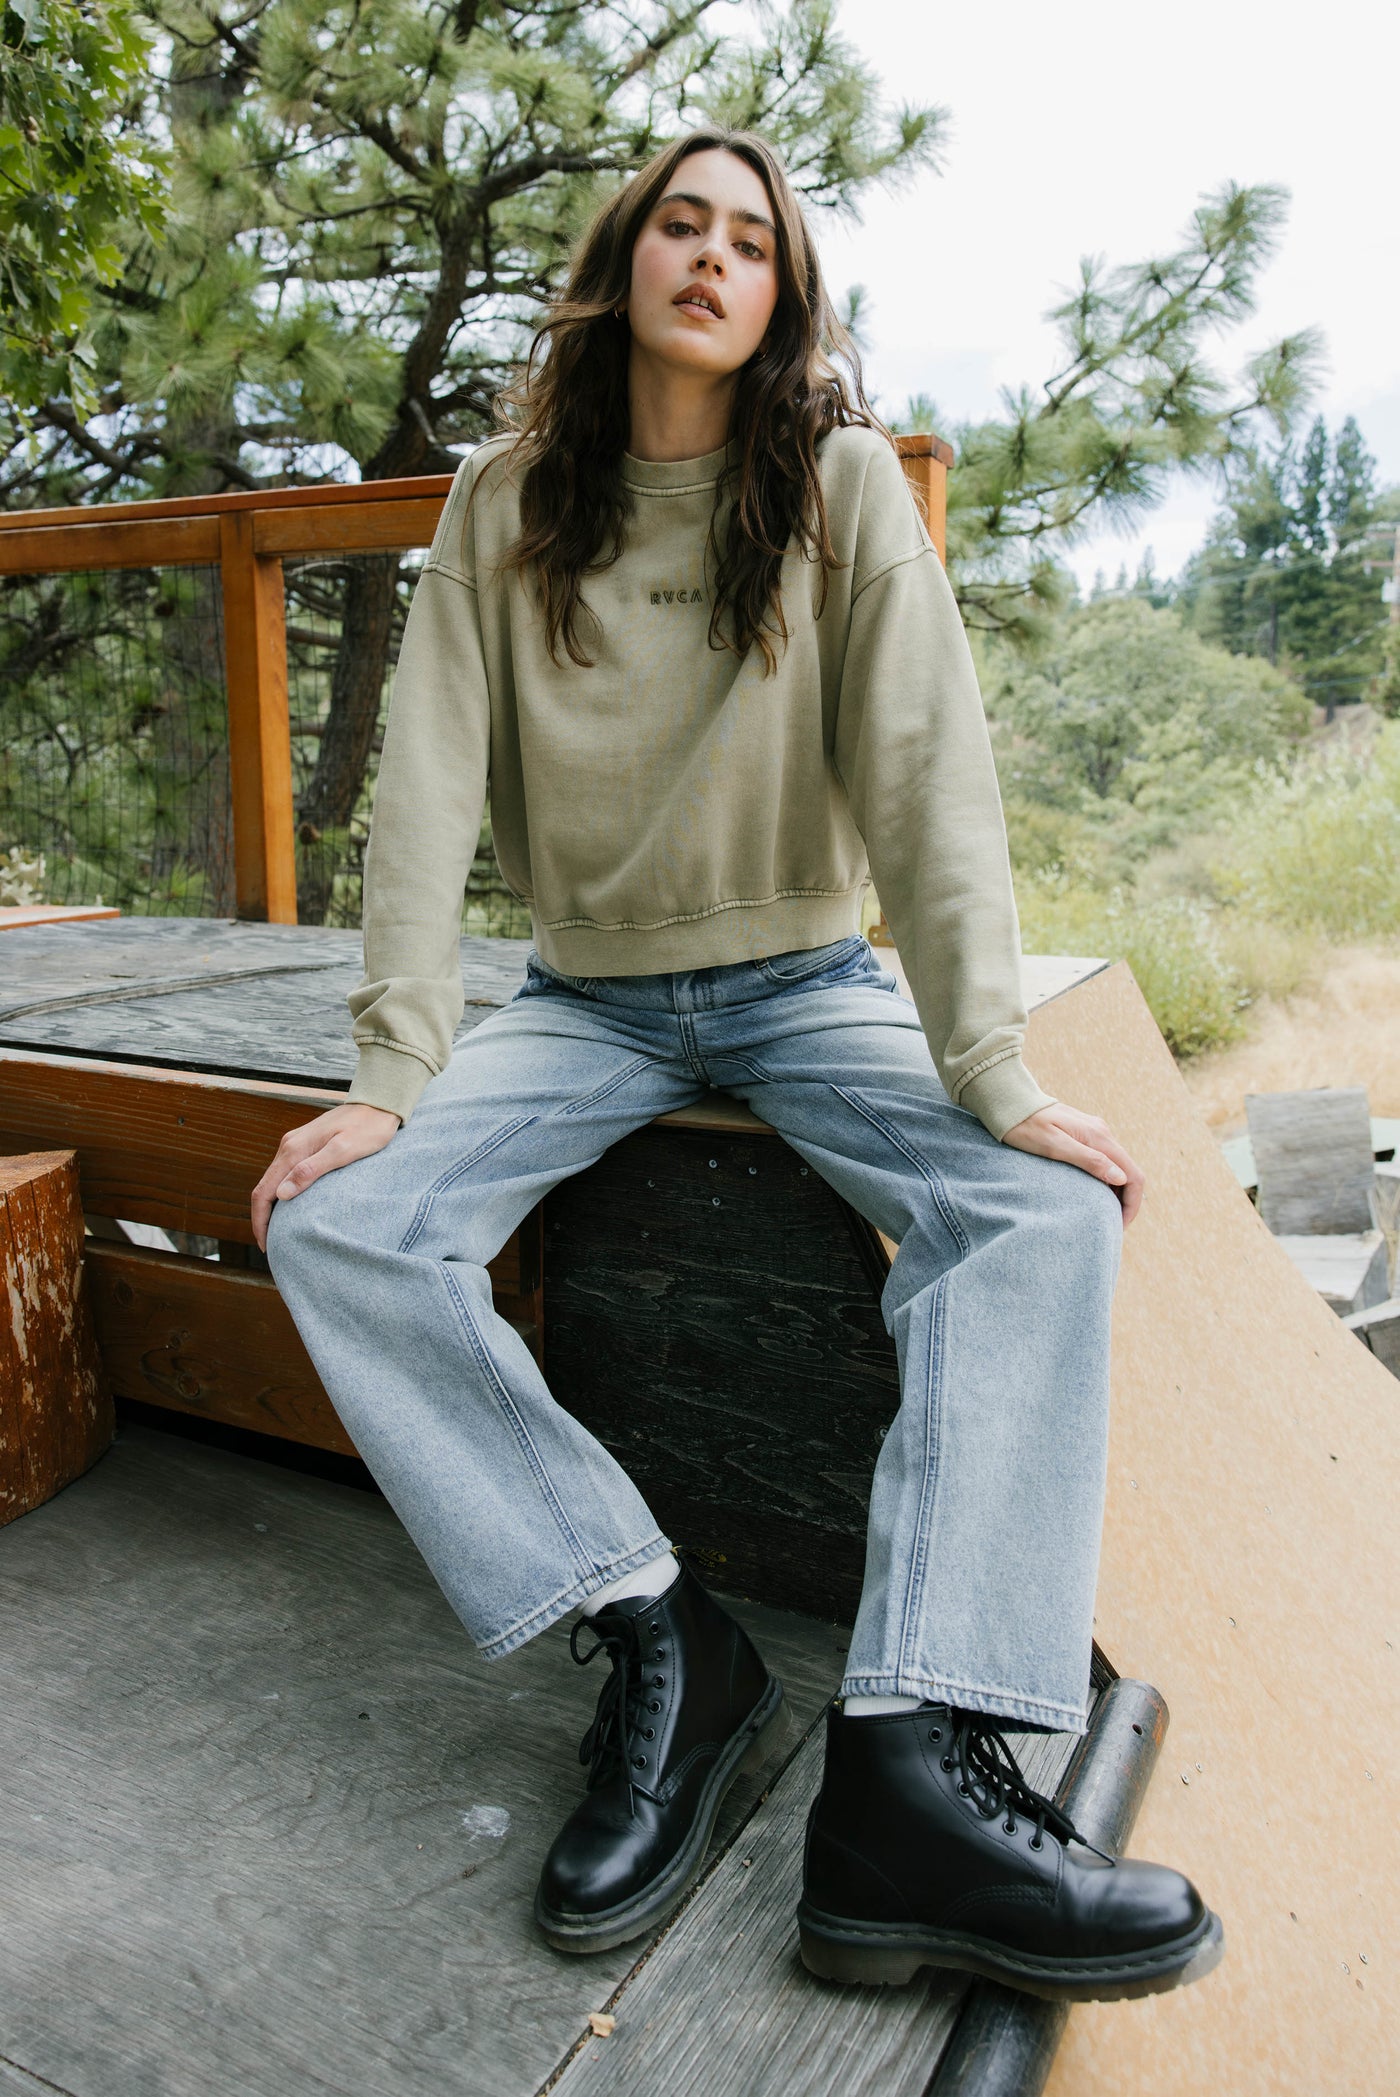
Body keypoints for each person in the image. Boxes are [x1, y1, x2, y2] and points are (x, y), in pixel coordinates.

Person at [255, 126, 1222, 2001]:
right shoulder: (505, 501)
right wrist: (389, 1071)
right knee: (339, 1226)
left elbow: (934, 786)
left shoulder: (839, 483)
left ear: (782, 299)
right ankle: (655, 1628)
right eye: (679, 224)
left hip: (803, 979)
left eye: (753, 241)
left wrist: (993, 1068)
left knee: (1037, 1212)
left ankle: (915, 1764)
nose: (712, 256)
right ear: (626, 263)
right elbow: (424, 796)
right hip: (587, 996)